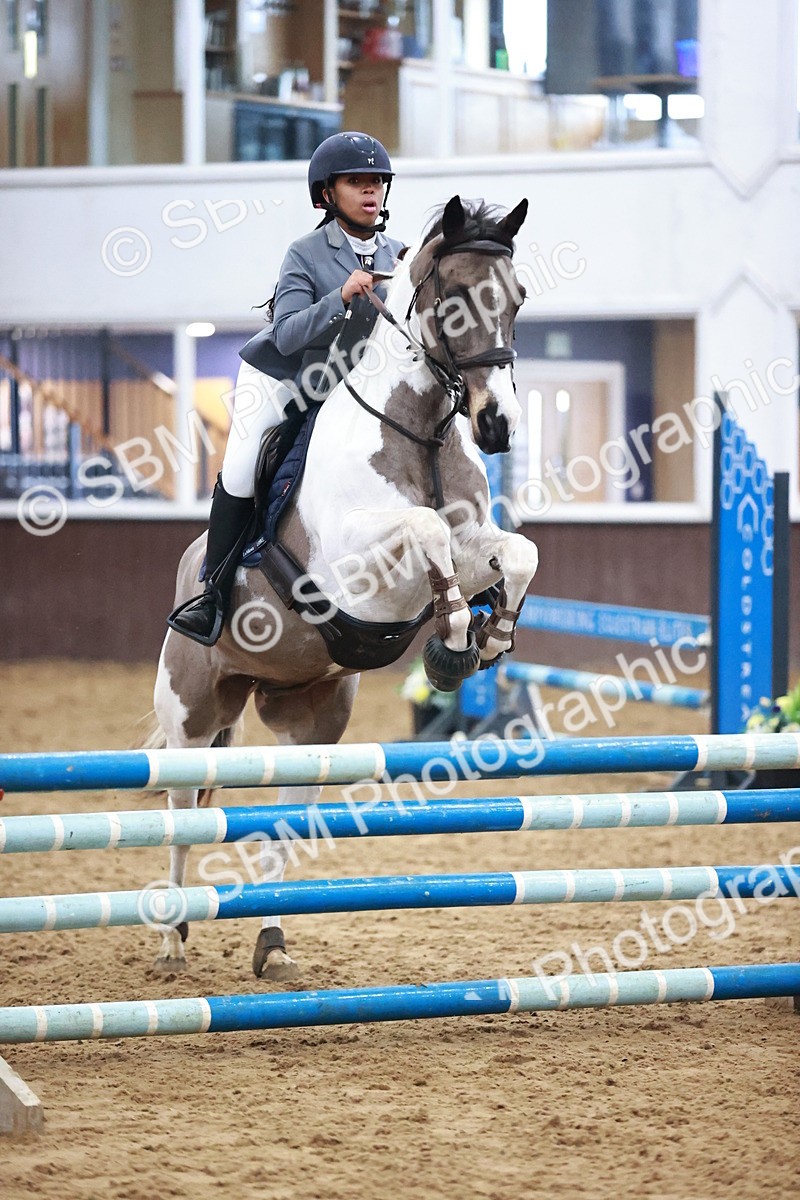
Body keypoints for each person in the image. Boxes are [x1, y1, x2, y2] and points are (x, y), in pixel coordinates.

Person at [168, 132, 405, 646]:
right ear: (327, 194)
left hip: (351, 390)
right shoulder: (305, 253)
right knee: (242, 465)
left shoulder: (400, 255)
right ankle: (210, 595)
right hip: (284, 379)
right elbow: (288, 332)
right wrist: (341, 296)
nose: (371, 192)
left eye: (377, 183)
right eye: (356, 182)